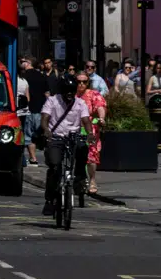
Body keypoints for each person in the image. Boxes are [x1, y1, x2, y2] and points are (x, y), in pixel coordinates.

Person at [40, 76, 92, 216]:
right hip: (56, 137)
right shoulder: (52, 101)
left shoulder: (80, 103)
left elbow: (86, 120)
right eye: (67, 91)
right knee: (55, 167)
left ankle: (79, 177)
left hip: (73, 137)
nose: (69, 94)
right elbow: (45, 118)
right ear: (61, 91)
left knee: (83, 148)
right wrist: (46, 130)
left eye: (72, 91)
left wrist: (90, 133)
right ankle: (50, 200)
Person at [76, 74, 108, 195]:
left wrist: (101, 118)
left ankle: (92, 180)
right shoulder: (71, 95)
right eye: (79, 82)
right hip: (73, 127)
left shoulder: (93, 94)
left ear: (88, 83)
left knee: (91, 156)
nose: (81, 84)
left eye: (84, 82)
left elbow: (100, 107)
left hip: (90, 128)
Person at [21, 57, 49, 167]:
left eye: (23, 62)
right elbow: (47, 94)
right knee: (40, 134)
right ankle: (47, 158)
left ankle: (33, 158)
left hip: (28, 109)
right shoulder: (42, 76)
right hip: (41, 109)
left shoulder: (23, 76)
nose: (21, 63)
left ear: (28, 63)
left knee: (28, 135)